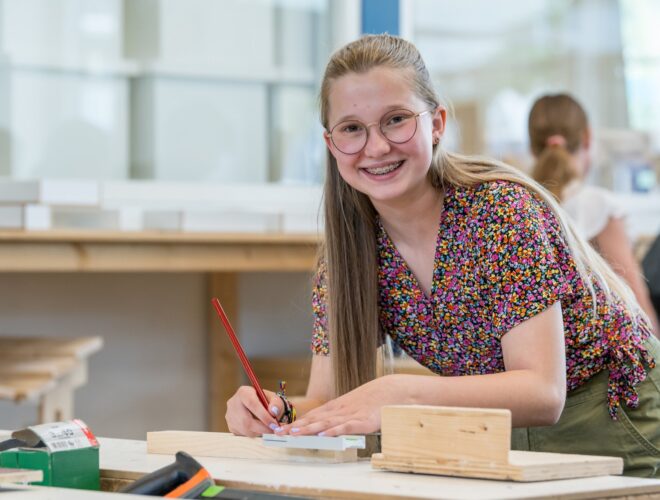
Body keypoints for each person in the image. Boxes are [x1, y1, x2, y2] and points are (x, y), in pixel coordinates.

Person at [225, 34, 660, 477]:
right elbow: (328, 401)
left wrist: (398, 392)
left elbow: (543, 392)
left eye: (396, 120)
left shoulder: (500, 214)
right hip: (499, 434)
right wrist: (277, 413)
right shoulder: (347, 258)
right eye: (352, 128)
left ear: (436, 124)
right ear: (331, 143)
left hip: (618, 416)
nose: (375, 148)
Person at [528, 93, 659, 337]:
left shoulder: (522, 203)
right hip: (605, 353)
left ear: (532, 147)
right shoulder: (597, 204)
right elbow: (636, 303)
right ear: (587, 138)